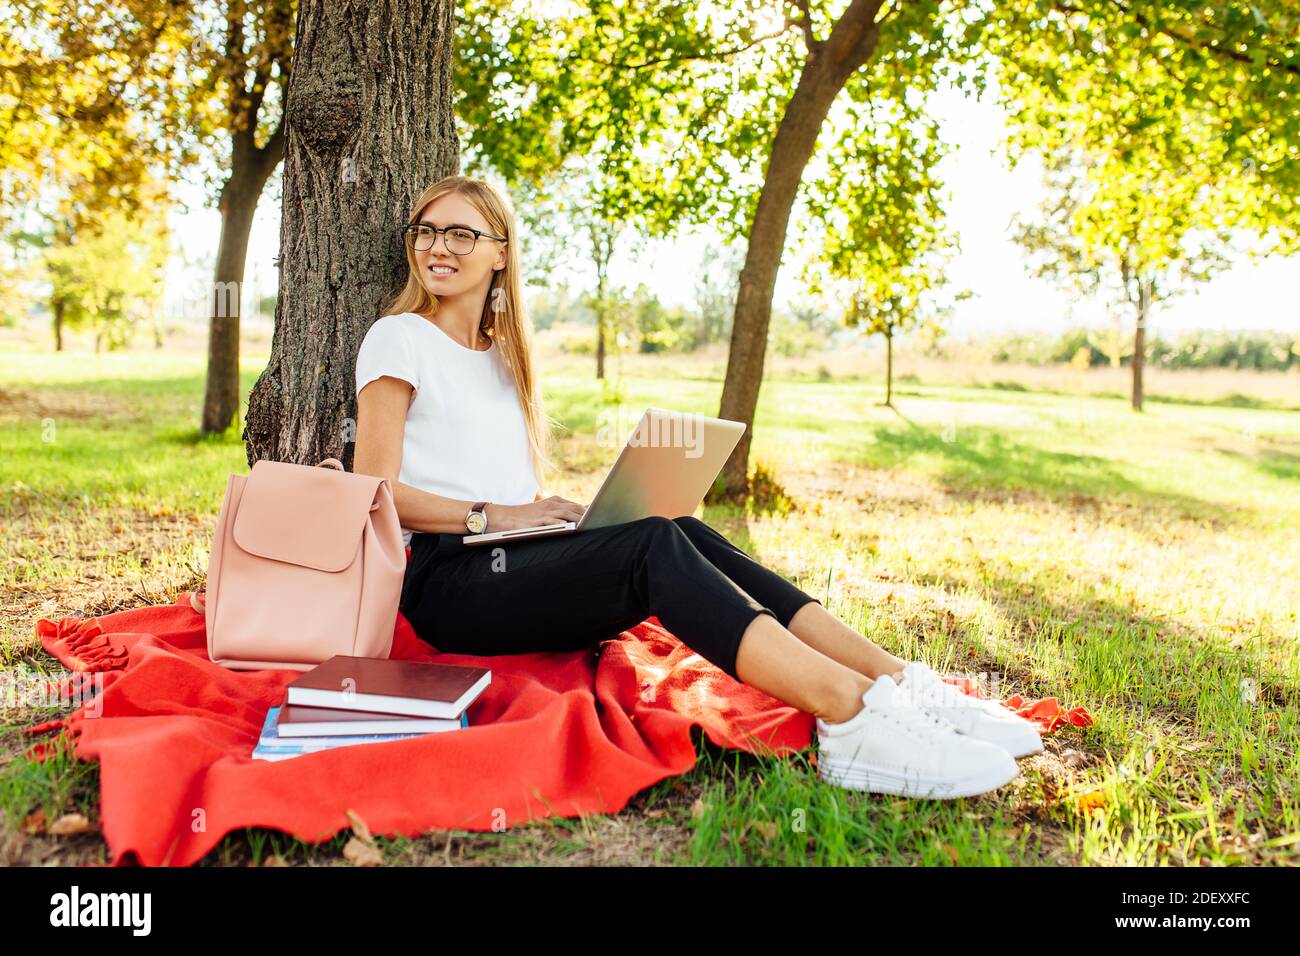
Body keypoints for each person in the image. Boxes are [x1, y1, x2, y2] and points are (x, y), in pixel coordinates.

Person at [352, 174, 1043, 799]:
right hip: (446, 583)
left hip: (511, 561)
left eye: (461, 233)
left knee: (676, 527)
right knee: (653, 544)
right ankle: (850, 714)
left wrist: (560, 523)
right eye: (426, 231)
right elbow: (374, 491)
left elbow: (499, 484)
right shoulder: (399, 337)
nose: (438, 246)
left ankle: (896, 681)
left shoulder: (505, 359)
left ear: (501, 252)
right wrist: (496, 516)